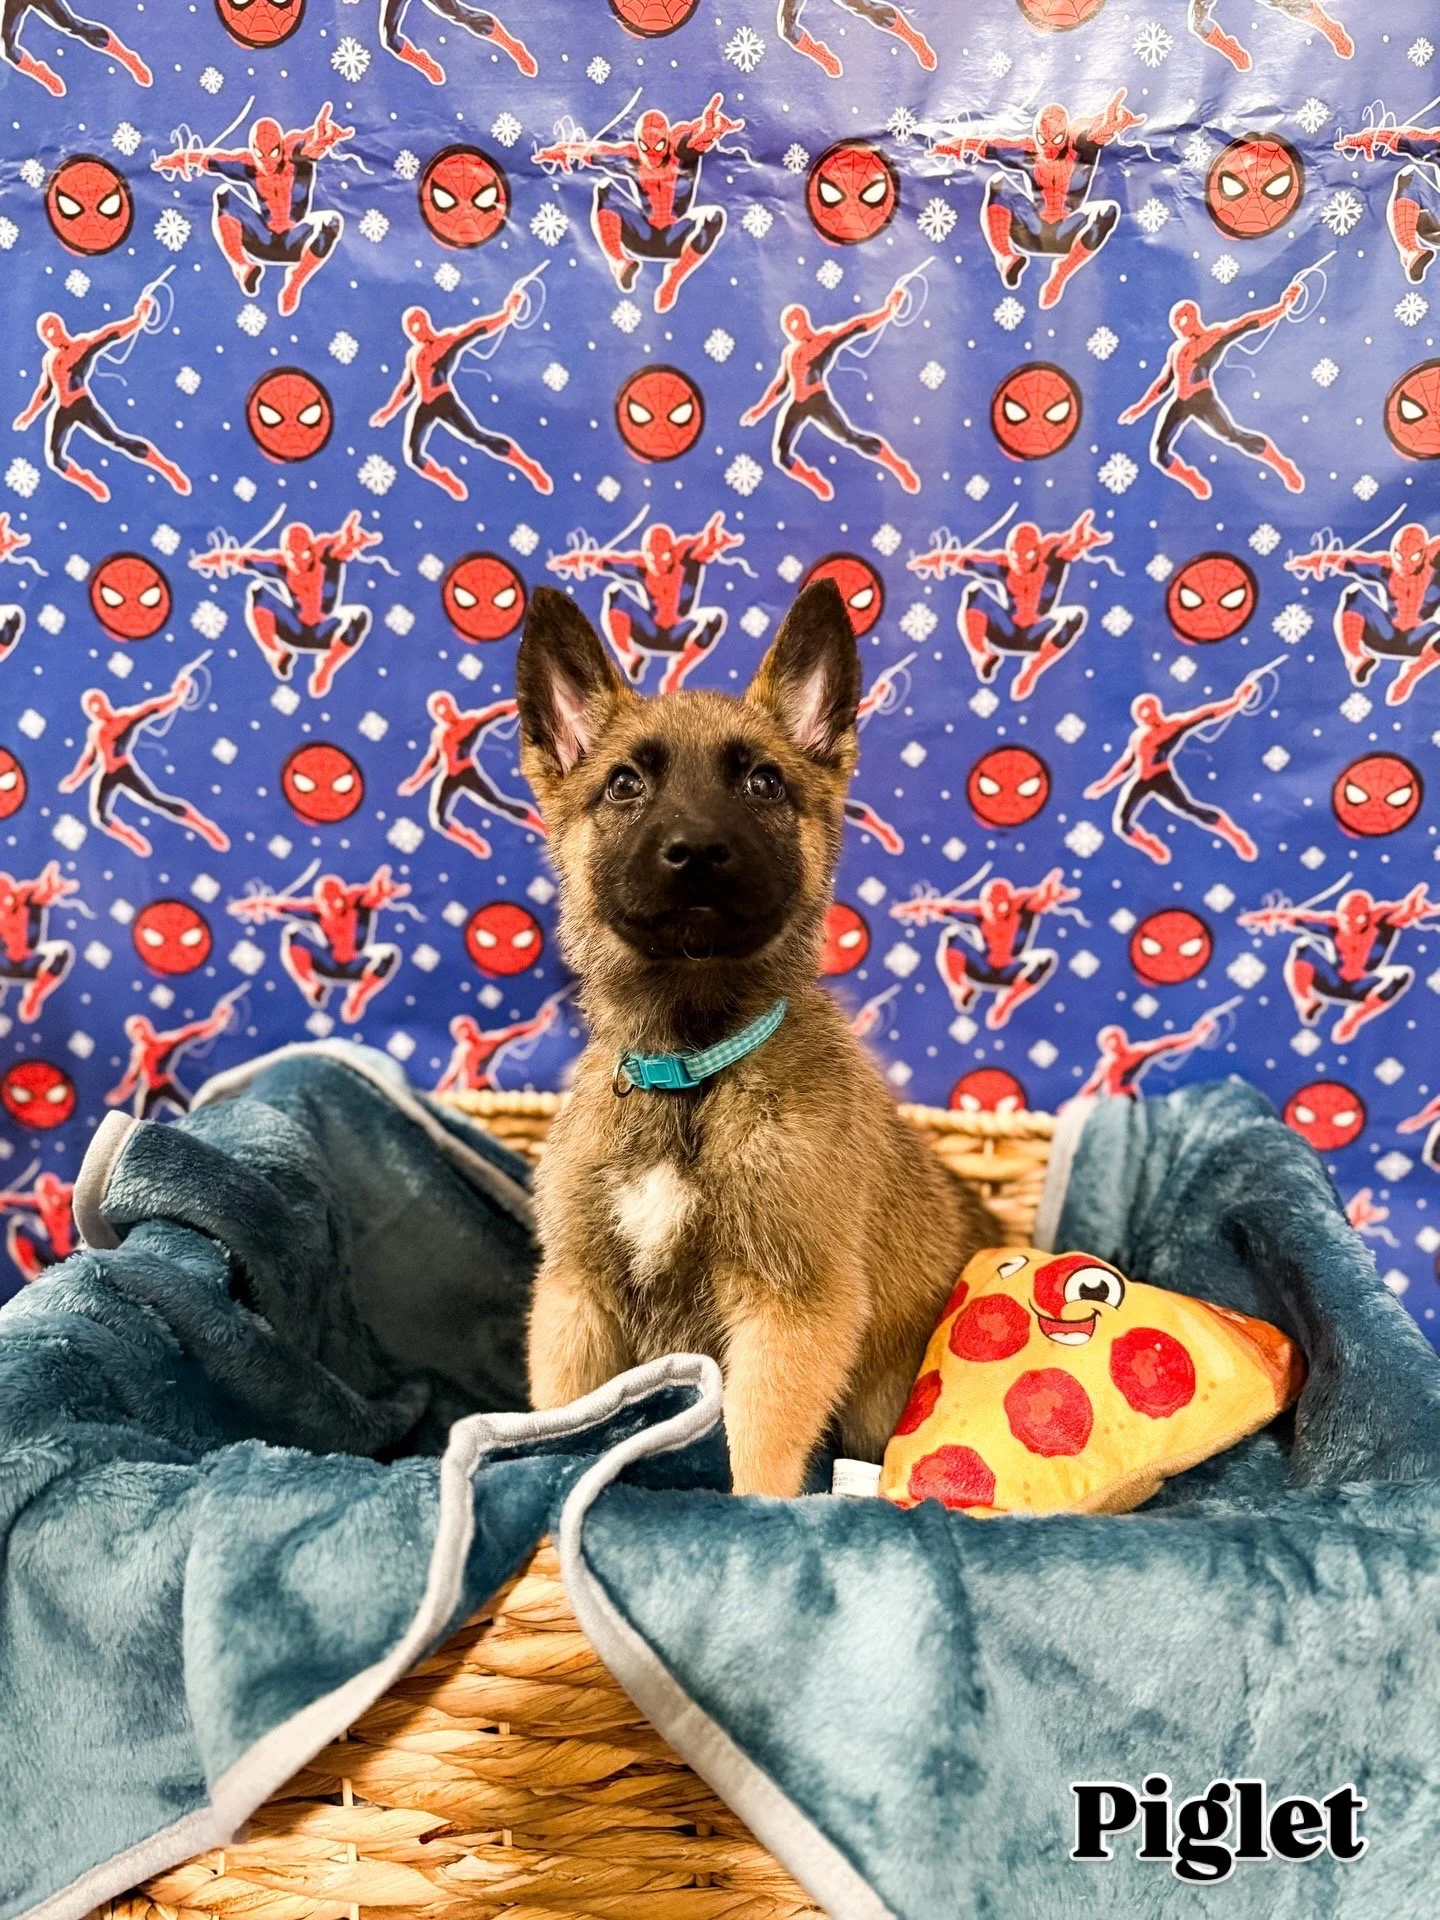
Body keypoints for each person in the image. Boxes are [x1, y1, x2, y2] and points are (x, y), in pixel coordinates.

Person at [930, 90, 1143, 309]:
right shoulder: (1028, 151)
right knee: (999, 183)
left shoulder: (1079, 149)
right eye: (1043, 139)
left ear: (1066, 135)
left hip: (1068, 234)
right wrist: (954, 146)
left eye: (1056, 139)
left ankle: (1061, 273)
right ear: (1036, 134)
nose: (1049, 146)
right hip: (1031, 230)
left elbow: (1096, 137)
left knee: (1107, 210)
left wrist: (1111, 127)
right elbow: (989, 146)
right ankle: (1005, 257)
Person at [534, 95, 742, 314]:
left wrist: (710, 133)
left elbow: (696, 139)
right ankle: (618, 262)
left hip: (678, 239)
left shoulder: (681, 151)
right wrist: (562, 151)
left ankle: (674, 278)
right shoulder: (631, 157)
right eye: (645, 146)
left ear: (668, 140)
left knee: (713, 216)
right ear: (638, 142)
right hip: (641, 235)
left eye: (658, 145)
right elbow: (594, 150)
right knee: (606, 189)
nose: (651, 154)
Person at [152, 102, 352, 315]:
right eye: (260, 154)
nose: (266, 162)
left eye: (273, 153)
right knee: (224, 194)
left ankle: (295, 281)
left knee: (331, 220)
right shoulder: (248, 164)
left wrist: (321, 142)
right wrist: (178, 158)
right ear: (253, 150)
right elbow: (210, 159)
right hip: (262, 240)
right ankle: (241, 266)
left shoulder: (294, 151)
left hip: (296, 241)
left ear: (282, 146)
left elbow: (309, 144)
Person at [1119, 281, 1307, 499]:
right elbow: (1164, 382)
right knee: (1160, 452)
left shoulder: (1214, 337)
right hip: (1180, 401)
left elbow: (1248, 323)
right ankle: (1192, 479)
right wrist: (1140, 407)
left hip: (1202, 398)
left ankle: (1282, 465)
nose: (1180, 327)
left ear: (1193, 316)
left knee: (1233, 435)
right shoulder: (1178, 350)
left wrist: (1282, 307)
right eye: (1177, 324)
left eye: (1183, 320)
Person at [370, 277, 552, 500]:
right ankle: (445, 479)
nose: (416, 331)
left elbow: (476, 330)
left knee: (479, 437)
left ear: (426, 322)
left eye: (418, 324)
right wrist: (389, 411)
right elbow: (407, 386)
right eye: (411, 328)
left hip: (444, 401)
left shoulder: (446, 341)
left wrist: (507, 313)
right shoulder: (415, 356)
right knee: (413, 455)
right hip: (424, 405)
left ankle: (528, 466)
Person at [742, 275, 922, 500]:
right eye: (790, 325)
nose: (795, 328)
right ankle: (813, 479)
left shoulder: (824, 340)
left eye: (798, 321)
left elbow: (855, 328)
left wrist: (887, 311)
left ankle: (898, 466)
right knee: (781, 454)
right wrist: (760, 410)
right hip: (797, 404)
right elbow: (781, 385)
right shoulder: (790, 353)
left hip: (817, 400)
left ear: (806, 320)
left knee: (849, 437)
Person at [13, 293, 189, 503]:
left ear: (60, 326)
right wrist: (29, 414)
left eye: (52, 327)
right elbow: (46, 390)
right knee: (55, 457)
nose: (50, 334)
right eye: (45, 332)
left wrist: (138, 318)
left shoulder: (81, 345)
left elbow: (110, 334)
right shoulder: (50, 360)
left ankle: (166, 467)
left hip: (81, 404)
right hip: (63, 409)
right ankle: (88, 482)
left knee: (117, 439)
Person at [59, 666, 227, 860]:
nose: (96, 710)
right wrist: (75, 778)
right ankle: (131, 838)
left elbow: (151, 709)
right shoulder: (95, 732)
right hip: (108, 773)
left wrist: (178, 695)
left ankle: (204, 826)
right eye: (92, 708)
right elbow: (90, 758)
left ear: (104, 703)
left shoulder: (124, 719)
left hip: (123, 769)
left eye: (97, 704)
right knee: (100, 815)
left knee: (157, 800)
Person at [398, 693, 545, 861]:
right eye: (438, 712)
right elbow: (433, 761)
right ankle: (470, 840)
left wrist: (521, 703)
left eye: (444, 708)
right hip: (450, 776)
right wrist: (416, 781)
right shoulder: (440, 735)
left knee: (500, 803)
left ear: (451, 705)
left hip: (468, 773)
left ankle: (541, 825)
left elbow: (494, 713)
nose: (443, 713)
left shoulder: (470, 723)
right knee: (440, 818)